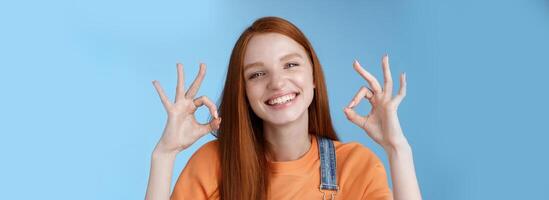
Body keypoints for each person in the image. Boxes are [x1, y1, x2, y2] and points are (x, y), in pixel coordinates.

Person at [145, 16, 421, 200]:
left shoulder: (355, 166)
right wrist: (164, 154)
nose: (277, 82)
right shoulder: (214, 164)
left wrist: (397, 148)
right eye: (257, 74)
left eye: (290, 65)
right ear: (242, 92)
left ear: (313, 78)